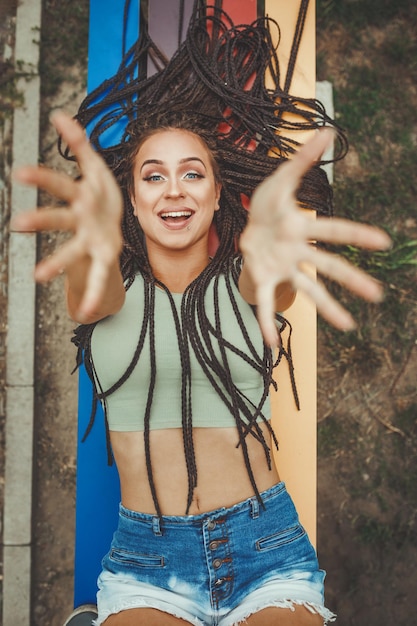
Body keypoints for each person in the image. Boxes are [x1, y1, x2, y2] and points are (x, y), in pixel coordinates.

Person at [13, 6, 390, 626]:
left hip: (267, 548)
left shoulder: (245, 286)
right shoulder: (108, 293)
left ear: (218, 196)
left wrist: (276, 253)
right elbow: (89, 289)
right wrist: (97, 240)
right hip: (147, 562)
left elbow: (269, 282)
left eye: (194, 174)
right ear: (132, 201)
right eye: (152, 177)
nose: (175, 190)